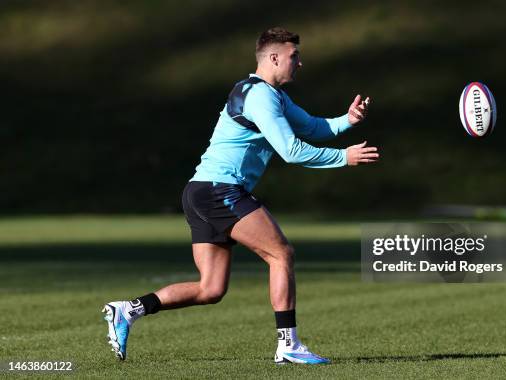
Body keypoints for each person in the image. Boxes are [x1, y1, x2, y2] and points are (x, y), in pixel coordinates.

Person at [102, 27, 378, 365]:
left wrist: (347, 121)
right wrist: (343, 158)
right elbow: (291, 150)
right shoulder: (260, 97)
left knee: (211, 289)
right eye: (295, 57)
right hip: (221, 190)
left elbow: (312, 127)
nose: (300, 63)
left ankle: (128, 310)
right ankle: (288, 344)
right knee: (281, 254)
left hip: (200, 191)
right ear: (274, 58)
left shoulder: (266, 94)